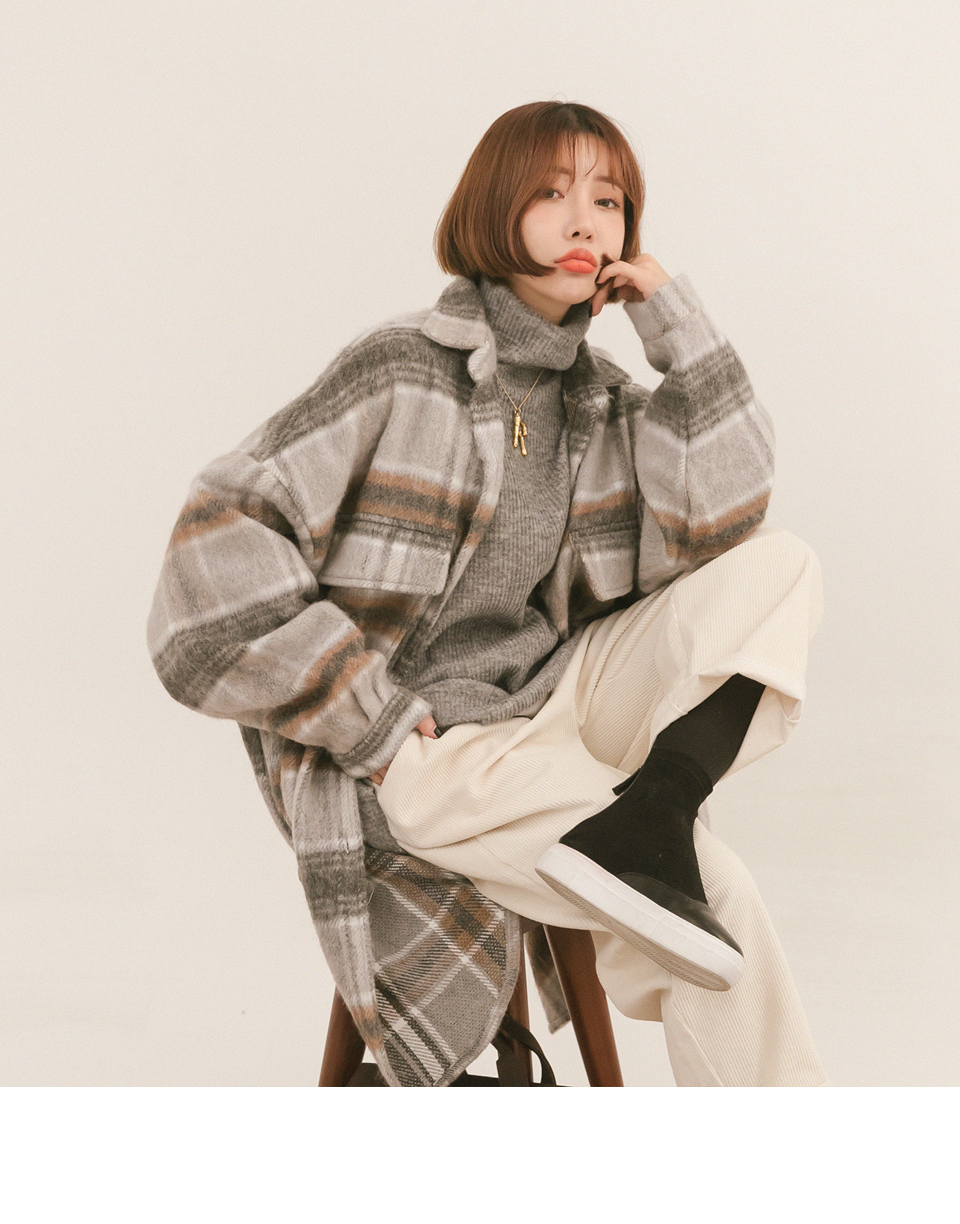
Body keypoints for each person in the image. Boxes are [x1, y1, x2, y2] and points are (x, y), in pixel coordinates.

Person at [146, 95, 823, 1088]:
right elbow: (211, 556)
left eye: (608, 200)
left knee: (781, 561)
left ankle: (659, 803)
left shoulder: (599, 398)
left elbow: (724, 517)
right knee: (720, 902)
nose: (586, 221)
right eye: (552, 194)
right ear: (493, 208)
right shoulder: (402, 370)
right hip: (427, 752)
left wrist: (675, 323)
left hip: (551, 700)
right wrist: (366, 713)